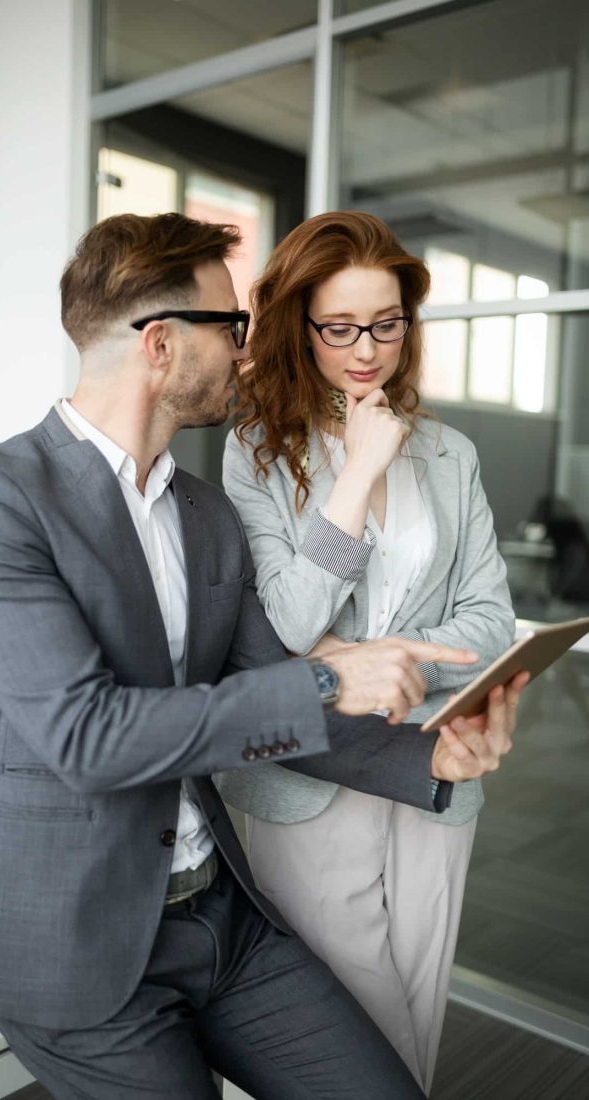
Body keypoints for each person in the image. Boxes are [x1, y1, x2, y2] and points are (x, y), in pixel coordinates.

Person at [0, 213, 526, 1100]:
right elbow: (87, 735)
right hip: (76, 945)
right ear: (161, 344)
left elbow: (263, 698)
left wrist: (432, 754)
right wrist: (325, 673)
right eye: (230, 327)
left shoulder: (204, 514)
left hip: (224, 919)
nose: (249, 351)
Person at [218, 210, 516, 1093]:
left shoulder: (450, 453)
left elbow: (490, 616)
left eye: (386, 325)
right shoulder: (254, 454)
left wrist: (374, 662)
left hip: (435, 759)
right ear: (298, 327)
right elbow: (288, 623)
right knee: (345, 1016)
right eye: (340, 328)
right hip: (312, 770)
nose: (367, 350)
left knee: (419, 999)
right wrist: (354, 472)